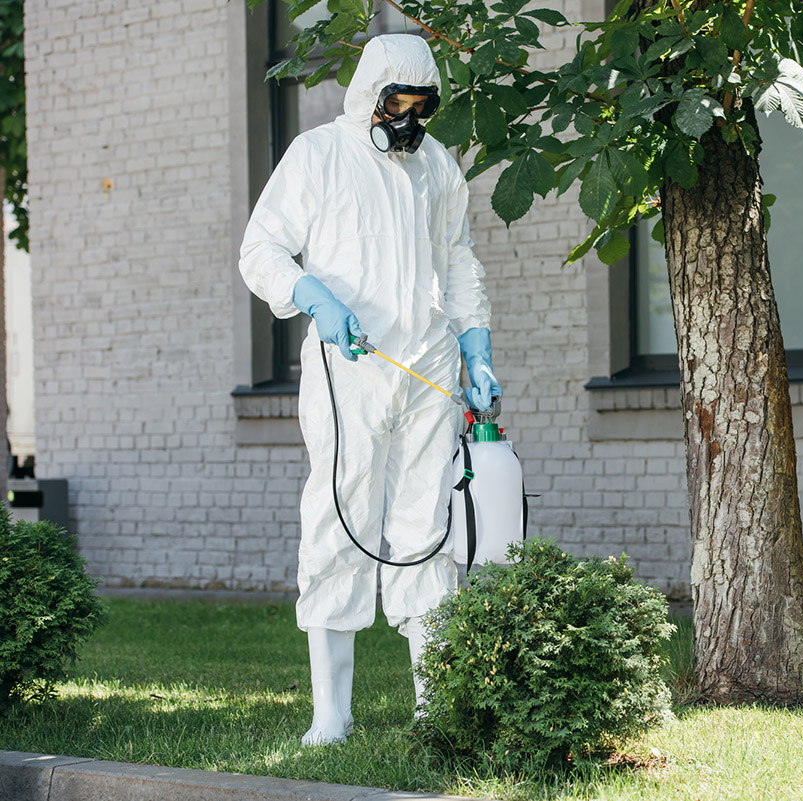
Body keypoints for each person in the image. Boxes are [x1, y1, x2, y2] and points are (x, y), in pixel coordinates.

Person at [238, 34, 500, 746]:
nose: (410, 118)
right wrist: (310, 293)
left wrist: (475, 341)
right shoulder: (318, 155)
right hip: (347, 369)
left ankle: (433, 706)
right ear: (370, 95)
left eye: (423, 105)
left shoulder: (438, 165)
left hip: (429, 369)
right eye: (398, 102)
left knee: (428, 528)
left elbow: (459, 259)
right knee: (339, 519)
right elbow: (259, 248)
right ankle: (332, 714)